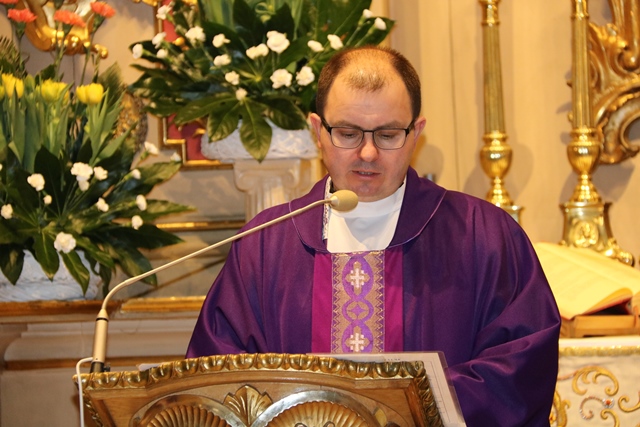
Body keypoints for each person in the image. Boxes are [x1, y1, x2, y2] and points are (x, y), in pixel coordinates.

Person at [187, 45, 561, 426]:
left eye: (388, 134)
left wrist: (404, 406)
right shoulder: (264, 245)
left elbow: (520, 369)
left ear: (416, 133)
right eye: (348, 133)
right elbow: (217, 381)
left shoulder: (484, 236)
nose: (367, 153)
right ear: (318, 131)